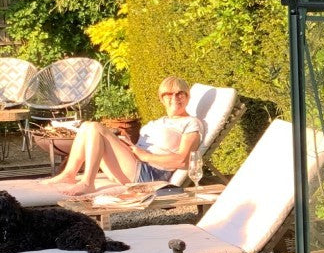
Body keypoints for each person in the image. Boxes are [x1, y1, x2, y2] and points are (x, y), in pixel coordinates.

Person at [47, 76, 206, 196]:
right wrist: (129, 145)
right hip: (135, 164)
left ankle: (87, 182)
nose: (175, 98)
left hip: (149, 174)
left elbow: (182, 160)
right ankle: (68, 174)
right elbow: (143, 149)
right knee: (86, 126)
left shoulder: (191, 123)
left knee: (95, 127)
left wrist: (145, 156)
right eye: (169, 94)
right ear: (161, 98)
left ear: (187, 97)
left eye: (180, 94)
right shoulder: (158, 122)